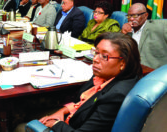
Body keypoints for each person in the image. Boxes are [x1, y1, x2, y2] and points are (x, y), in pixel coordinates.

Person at [14, 32, 142, 132]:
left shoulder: (116, 96)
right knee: (27, 112)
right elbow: (82, 101)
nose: (95, 59)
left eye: (104, 56)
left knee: (20, 127)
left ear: (123, 63)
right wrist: (62, 111)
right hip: (75, 115)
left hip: (74, 125)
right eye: (96, 52)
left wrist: (56, 124)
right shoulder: (105, 74)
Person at [121, 3, 167, 69]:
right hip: (131, 70)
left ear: (146, 15)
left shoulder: (161, 26)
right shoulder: (127, 30)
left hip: (154, 72)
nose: (131, 19)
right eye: (129, 16)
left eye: (135, 16)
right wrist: (123, 34)